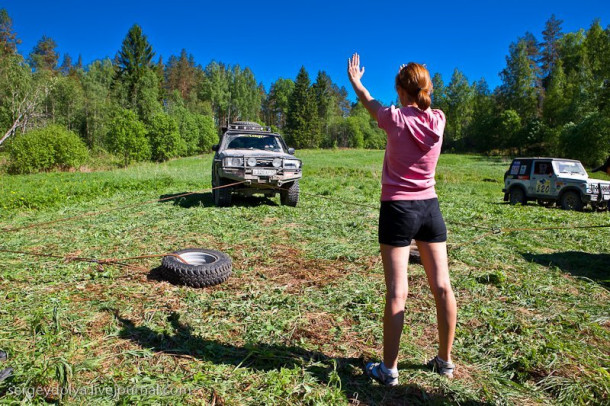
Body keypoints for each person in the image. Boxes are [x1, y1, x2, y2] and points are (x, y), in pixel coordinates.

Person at [347, 53, 457, 385]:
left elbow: (368, 100)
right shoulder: (438, 120)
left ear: (400, 91)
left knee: (397, 292)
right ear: (428, 89)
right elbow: (419, 104)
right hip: (429, 209)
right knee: (442, 287)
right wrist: (408, 84)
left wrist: (356, 80)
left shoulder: (393, 118)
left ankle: (389, 370)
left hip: (397, 209)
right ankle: (445, 362)